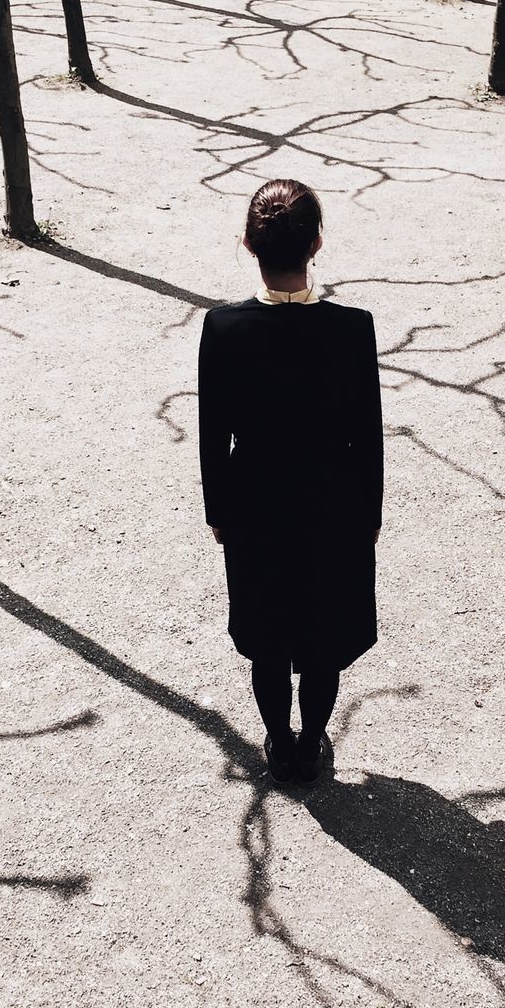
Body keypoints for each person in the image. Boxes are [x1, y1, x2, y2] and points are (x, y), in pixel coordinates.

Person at [198, 179, 383, 785]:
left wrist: (218, 511)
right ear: (318, 242)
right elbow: (368, 435)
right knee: (324, 634)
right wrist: (370, 515)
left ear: (249, 243)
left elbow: (212, 435)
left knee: (268, 632)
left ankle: (278, 742)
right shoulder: (353, 328)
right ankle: (310, 742)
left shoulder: (222, 329)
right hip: (334, 507)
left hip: (255, 508)